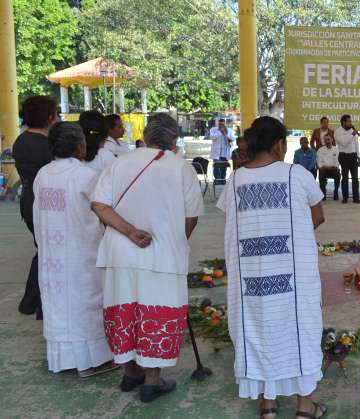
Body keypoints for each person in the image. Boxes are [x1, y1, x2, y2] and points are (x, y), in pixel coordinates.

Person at [216, 116, 327, 419]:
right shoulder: (297, 175)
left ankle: (268, 405)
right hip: (293, 275)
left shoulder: (236, 179)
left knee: (258, 329)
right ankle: (305, 408)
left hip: (251, 278)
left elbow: (233, 222)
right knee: (300, 328)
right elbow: (317, 216)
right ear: (280, 144)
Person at [90, 113, 204, 403]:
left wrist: (128, 232)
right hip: (162, 256)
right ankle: (151, 381)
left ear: (147, 134)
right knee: (157, 312)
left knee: (124, 310)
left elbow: (99, 204)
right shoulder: (180, 168)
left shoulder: (120, 162)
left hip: (119, 253)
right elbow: (191, 217)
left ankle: (130, 373)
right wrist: (173, 242)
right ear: (174, 138)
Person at [33, 122, 119, 378]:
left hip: (52, 255)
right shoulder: (85, 175)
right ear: (80, 147)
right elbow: (104, 209)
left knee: (59, 304)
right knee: (86, 303)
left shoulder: (43, 174)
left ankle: (63, 360)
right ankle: (91, 362)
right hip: (81, 251)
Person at [13, 95, 58, 319]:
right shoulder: (48, 145)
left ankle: (33, 301)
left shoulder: (20, 142)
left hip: (28, 201)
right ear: (50, 117)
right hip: (46, 202)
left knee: (43, 249)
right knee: (47, 251)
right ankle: (33, 300)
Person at [334, 114, 360, 203]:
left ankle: (356, 198)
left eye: (351, 121)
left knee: (355, 178)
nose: (351, 123)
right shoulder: (338, 131)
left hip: (353, 156)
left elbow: (356, 144)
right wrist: (352, 134)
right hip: (344, 156)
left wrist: (358, 156)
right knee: (345, 177)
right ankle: (345, 198)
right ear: (343, 122)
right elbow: (344, 142)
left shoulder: (352, 130)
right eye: (349, 121)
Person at [209, 118, 234, 183]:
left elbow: (233, 139)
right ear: (218, 123)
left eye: (223, 124)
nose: (221, 125)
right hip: (217, 152)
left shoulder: (229, 130)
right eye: (220, 124)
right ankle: (217, 180)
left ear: (225, 123)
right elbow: (212, 137)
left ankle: (223, 180)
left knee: (223, 167)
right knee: (217, 166)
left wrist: (225, 133)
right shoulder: (213, 129)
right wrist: (220, 131)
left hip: (225, 152)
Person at [317, 133, 340, 201]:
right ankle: (323, 193)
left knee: (338, 173)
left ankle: (335, 191)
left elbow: (337, 161)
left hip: (333, 169)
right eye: (325, 140)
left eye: (328, 139)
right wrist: (323, 167)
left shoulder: (336, 149)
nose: (327, 141)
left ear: (332, 140)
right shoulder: (320, 150)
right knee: (321, 173)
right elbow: (319, 162)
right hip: (324, 170)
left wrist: (335, 166)